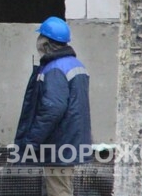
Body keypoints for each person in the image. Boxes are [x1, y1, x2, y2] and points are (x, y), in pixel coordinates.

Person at [14, 16, 92, 196]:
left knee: (58, 189)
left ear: (46, 43)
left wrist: (32, 140)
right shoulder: (75, 64)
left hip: (59, 143)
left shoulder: (54, 68)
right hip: (71, 139)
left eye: (40, 38)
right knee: (63, 186)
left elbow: (53, 109)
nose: (38, 42)